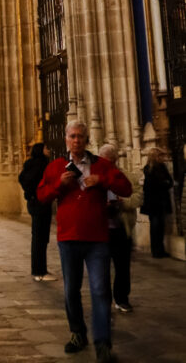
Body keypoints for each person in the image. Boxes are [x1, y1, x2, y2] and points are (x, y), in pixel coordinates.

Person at [37, 120, 132, 363]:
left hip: (97, 239)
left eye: (81, 136)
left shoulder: (101, 165)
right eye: (72, 136)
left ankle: (102, 342)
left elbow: (127, 187)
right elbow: (42, 196)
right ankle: (78, 333)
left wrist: (102, 181)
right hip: (68, 238)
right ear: (66, 139)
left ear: (87, 140)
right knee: (71, 290)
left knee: (100, 290)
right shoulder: (57, 166)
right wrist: (60, 185)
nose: (77, 140)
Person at [98, 143, 141, 312]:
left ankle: (122, 299)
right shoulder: (93, 178)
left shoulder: (126, 176)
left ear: (115, 160)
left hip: (121, 228)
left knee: (122, 267)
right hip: (100, 230)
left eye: (110, 161)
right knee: (101, 269)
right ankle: (103, 301)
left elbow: (137, 197)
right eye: (104, 161)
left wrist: (123, 202)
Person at [18, 142, 55, 281]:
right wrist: (38, 192)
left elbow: (21, 178)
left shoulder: (30, 163)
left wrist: (30, 193)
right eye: (47, 148)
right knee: (40, 237)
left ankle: (40, 269)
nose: (49, 150)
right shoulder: (41, 164)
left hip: (34, 202)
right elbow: (32, 180)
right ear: (41, 150)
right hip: (40, 203)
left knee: (39, 237)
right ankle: (39, 272)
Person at [140, 146, 173, 258]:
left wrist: (163, 183)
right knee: (155, 227)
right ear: (155, 157)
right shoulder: (148, 169)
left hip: (162, 201)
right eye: (160, 156)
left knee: (161, 226)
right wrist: (163, 183)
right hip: (153, 203)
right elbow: (153, 185)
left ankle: (161, 249)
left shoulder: (163, 167)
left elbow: (170, 182)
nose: (163, 158)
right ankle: (156, 251)